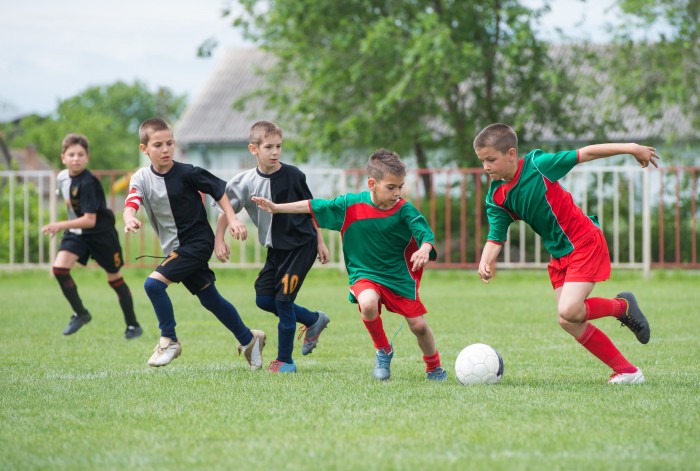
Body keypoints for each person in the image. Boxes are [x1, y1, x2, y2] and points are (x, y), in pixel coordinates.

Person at [473, 123, 655, 384]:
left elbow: (586, 153)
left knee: (569, 310)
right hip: (560, 254)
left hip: (584, 241)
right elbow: (495, 236)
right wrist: (485, 260)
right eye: (482, 161)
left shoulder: (539, 166)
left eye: (491, 160)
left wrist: (632, 148)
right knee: (568, 319)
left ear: (511, 154)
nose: (486, 167)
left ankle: (622, 307)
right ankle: (627, 370)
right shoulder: (497, 197)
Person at [252, 148, 447, 381]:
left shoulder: (404, 210)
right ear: (372, 184)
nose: (397, 193)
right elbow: (314, 205)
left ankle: (434, 367)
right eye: (391, 187)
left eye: (400, 187)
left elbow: (425, 234)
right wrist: (276, 208)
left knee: (418, 326)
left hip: (398, 276)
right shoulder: (350, 205)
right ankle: (383, 350)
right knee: (367, 304)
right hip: (364, 274)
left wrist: (425, 248)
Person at [123, 118, 266, 369]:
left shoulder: (188, 172)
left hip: (197, 243)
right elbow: (132, 200)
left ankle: (169, 340)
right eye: (158, 145)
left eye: (170, 143)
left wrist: (232, 220)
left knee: (153, 285)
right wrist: (129, 217)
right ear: (144, 149)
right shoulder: (141, 178)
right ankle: (249, 339)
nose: (166, 149)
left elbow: (221, 191)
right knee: (210, 298)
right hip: (176, 248)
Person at [213, 121, 331, 373]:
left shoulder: (294, 175)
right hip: (276, 250)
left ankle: (285, 361)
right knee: (265, 299)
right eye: (269, 147)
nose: (275, 151)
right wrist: (219, 239)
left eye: (278, 146)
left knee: (284, 301)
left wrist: (320, 241)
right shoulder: (244, 181)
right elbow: (226, 210)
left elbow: (311, 208)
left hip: (302, 246)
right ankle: (313, 319)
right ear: (253, 149)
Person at [42, 133, 142, 339]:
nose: (76, 158)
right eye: (71, 154)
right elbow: (73, 208)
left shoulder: (88, 183)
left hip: (101, 235)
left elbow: (90, 220)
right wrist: (68, 227)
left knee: (114, 278)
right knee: (60, 269)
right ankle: (81, 314)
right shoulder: (62, 177)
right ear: (63, 158)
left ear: (87, 157)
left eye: (80, 154)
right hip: (77, 233)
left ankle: (133, 325)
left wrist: (60, 225)